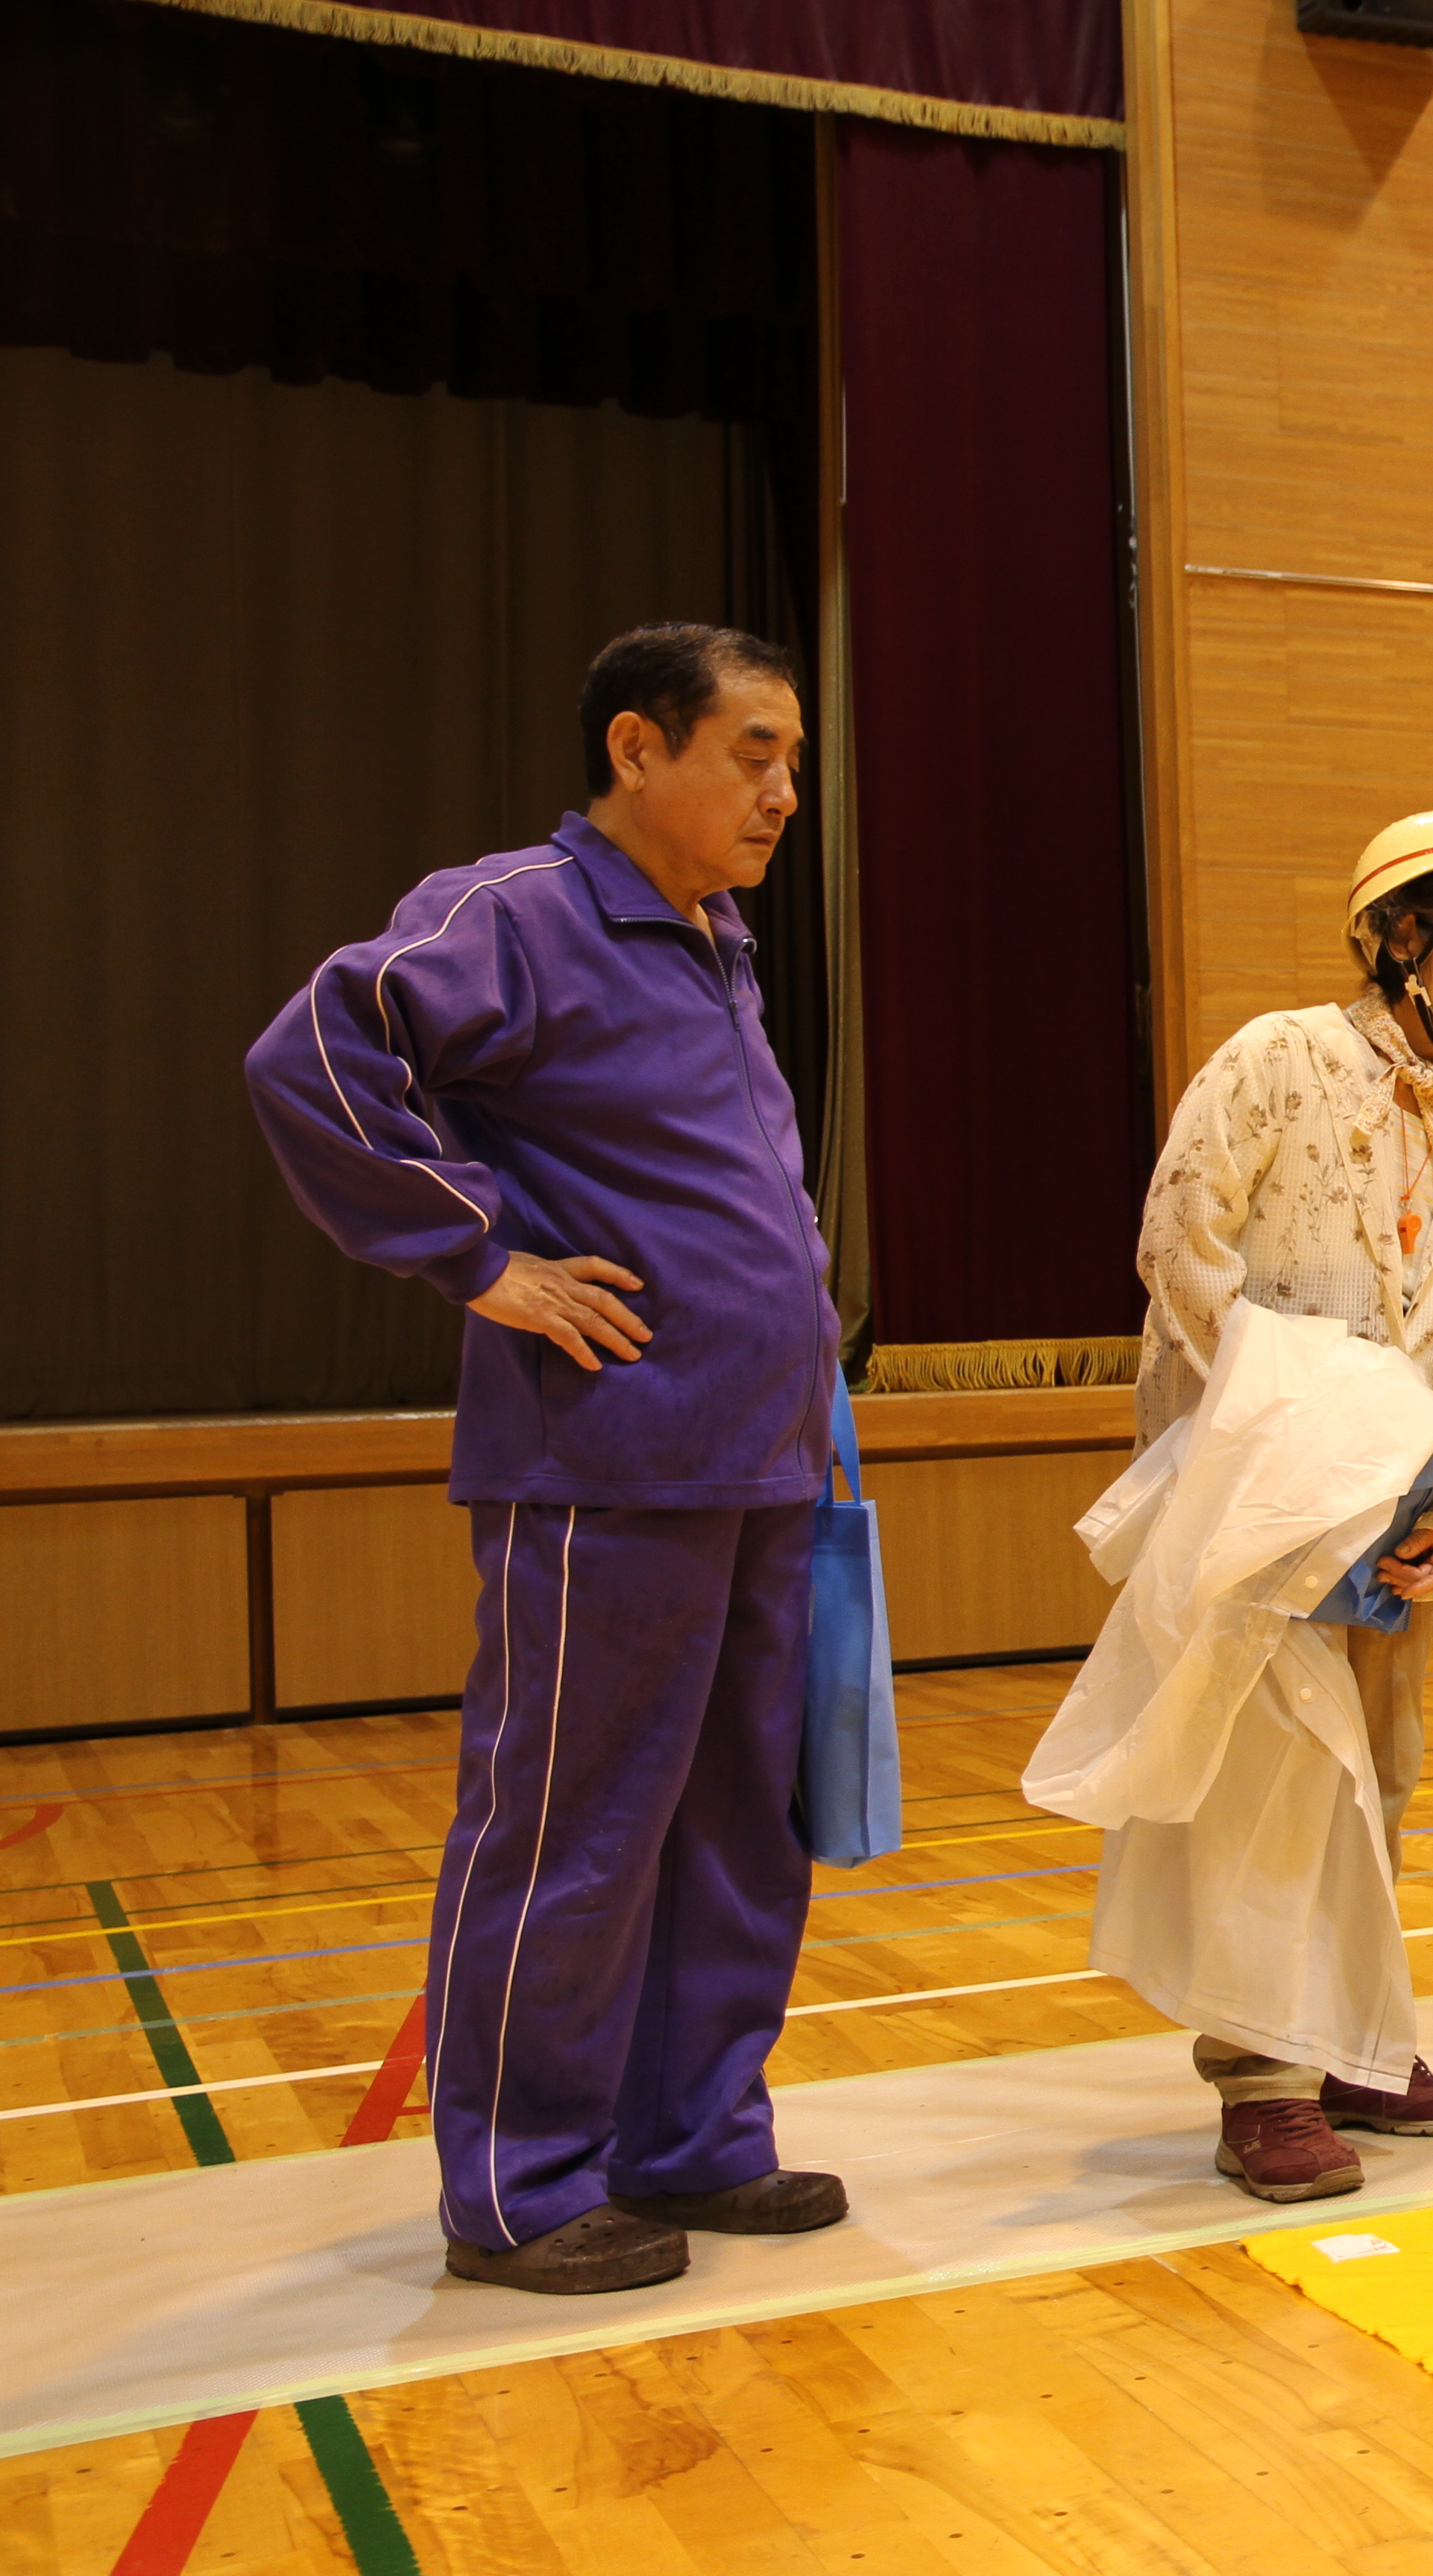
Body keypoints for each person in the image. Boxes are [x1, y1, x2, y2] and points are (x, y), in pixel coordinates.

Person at [243, 625, 843, 2296]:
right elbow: (315, 1057)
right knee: (570, 1829)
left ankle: (695, 2141)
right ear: (639, 748)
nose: (786, 793)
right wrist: (480, 1254)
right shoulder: (519, 911)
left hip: (761, 1465)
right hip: (606, 1466)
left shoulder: (714, 938)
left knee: (738, 1826)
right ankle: (517, 2183)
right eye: (756, 753)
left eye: (794, 761)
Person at [1103, 809, 1433, 2201]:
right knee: (1268, 1796)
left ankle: (1355, 2040)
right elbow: (1179, 1248)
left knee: (1378, 1784)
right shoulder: (1277, 1060)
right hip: (1260, 1502)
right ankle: (1259, 2081)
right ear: (1396, 938)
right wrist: (1294, 1440)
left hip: (1390, 1522)